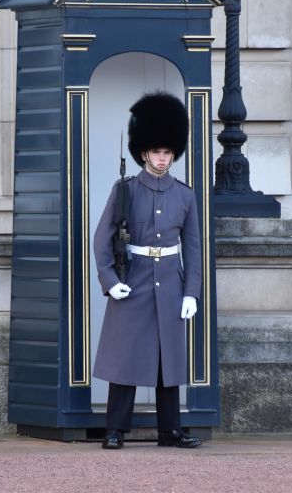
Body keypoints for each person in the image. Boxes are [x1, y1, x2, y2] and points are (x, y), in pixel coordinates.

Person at [92, 92, 203, 450]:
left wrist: (192, 292)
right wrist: (110, 281)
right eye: (156, 151)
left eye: (167, 152)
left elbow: (193, 248)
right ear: (143, 153)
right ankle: (115, 428)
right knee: (125, 358)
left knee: (167, 360)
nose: (162, 157)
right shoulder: (125, 190)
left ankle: (170, 430)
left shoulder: (184, 196)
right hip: (134, 279)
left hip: (170, 281)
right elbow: (102, 239)